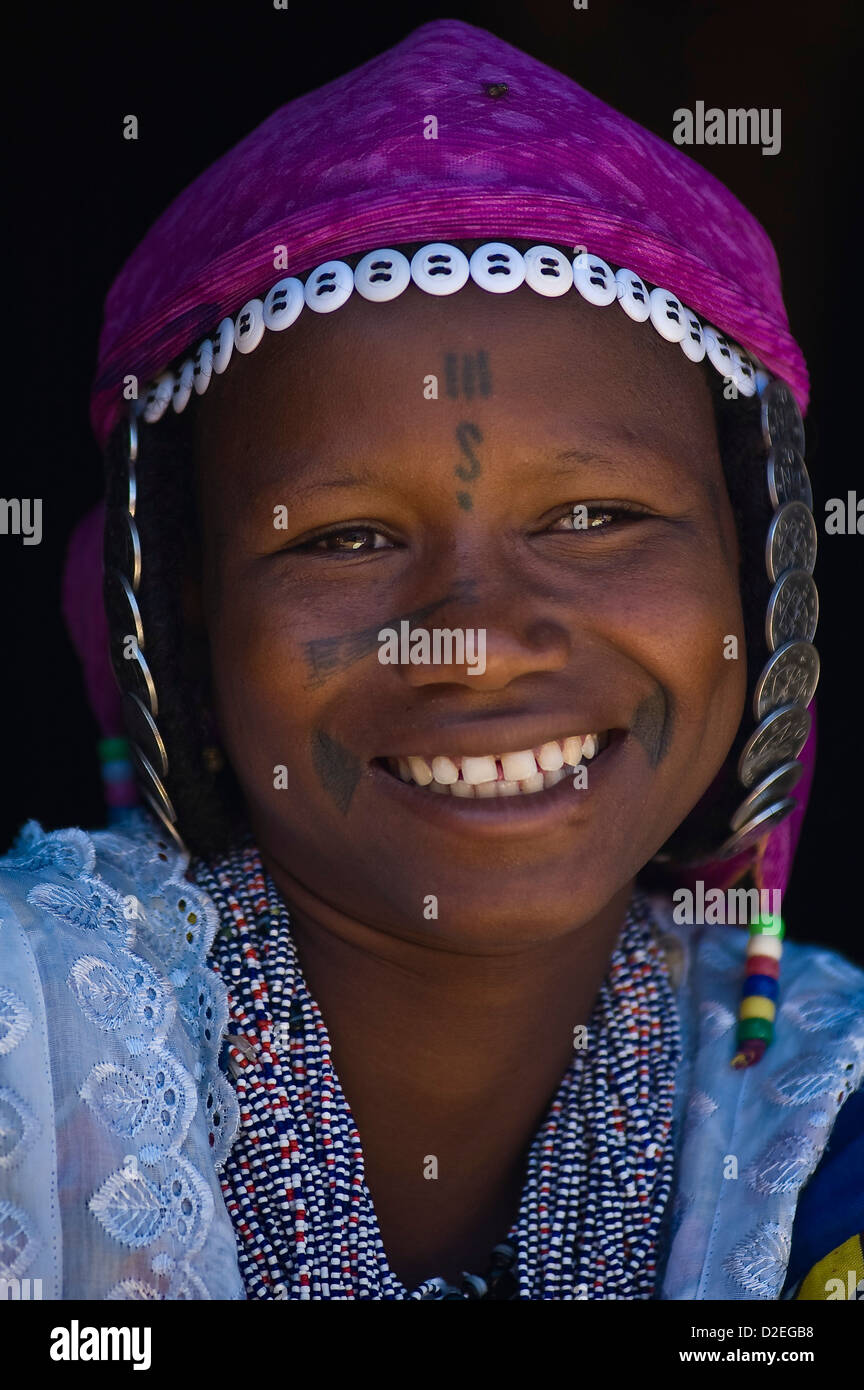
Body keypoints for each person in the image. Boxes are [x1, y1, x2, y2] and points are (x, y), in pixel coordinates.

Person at [1, 19, 861, 1302]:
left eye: (594, 517)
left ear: (760, 570)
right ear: (176, 632)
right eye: (346, 538)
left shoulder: (818, 1123)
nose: (476, 638)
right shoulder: (29, 1050)